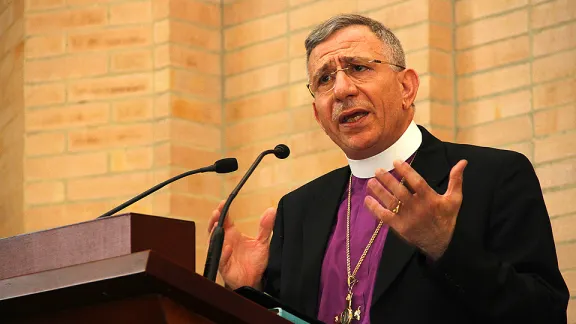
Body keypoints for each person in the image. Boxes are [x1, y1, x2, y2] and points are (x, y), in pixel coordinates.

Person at [207, 14, 569, 324]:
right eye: (324, 79)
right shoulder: (298, 210)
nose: (342, 89)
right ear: (318, 115)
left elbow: (544, 313)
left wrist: (447, 248)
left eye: (359, 68)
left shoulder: (493, 177)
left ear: (406, 87)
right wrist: (247, 293)